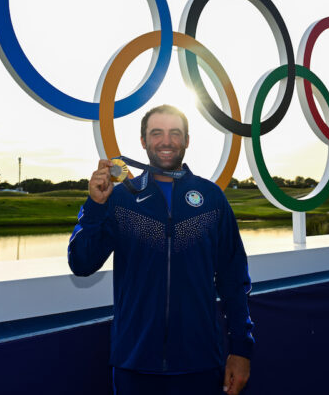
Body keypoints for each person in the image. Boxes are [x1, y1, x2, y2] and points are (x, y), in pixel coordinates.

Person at [68, 104, 254, 395]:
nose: (166, 141)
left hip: (201, 363)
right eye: (156, 133)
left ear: (187, 141)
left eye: (175, 133)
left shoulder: (211, 197)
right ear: (143, 141)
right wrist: (95, 206)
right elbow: (81, 263)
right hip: (134, 364)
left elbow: (233, 279)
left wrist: (242, 349)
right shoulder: (120, 199)